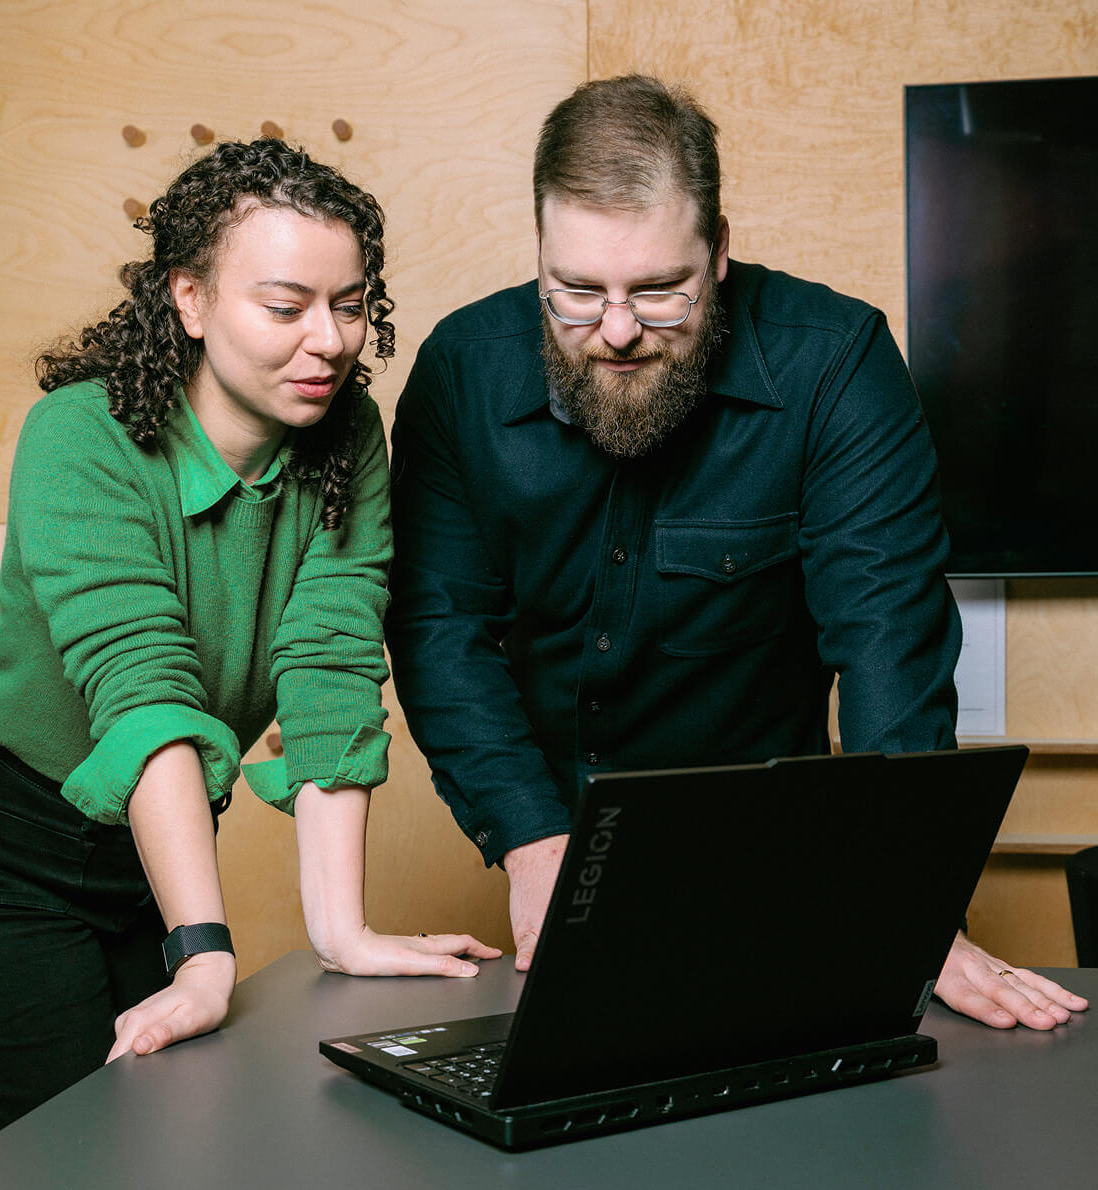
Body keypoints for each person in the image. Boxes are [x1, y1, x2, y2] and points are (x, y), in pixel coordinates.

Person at [386, 76, 1086, 1031]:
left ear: (718, 253)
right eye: (577, 294)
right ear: (539, 255)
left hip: (779, 873)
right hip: (547, 846)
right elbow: (438, 626)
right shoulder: (462, 370)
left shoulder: (835, 362)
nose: (619, 331)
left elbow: (888, 639)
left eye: (659, 292)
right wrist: (535, 840)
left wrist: (909, 904)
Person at [0, 138, 499, 1147]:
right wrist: (205, 949)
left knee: (169, 1137)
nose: (330, 341)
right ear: (191, 300)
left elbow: (331, 667)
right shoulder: (78, 437)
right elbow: (146, 696)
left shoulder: (350, 440)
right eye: (285, 304)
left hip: (150, 848)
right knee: (71, 1152)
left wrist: (337, 931)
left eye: (350, 305)